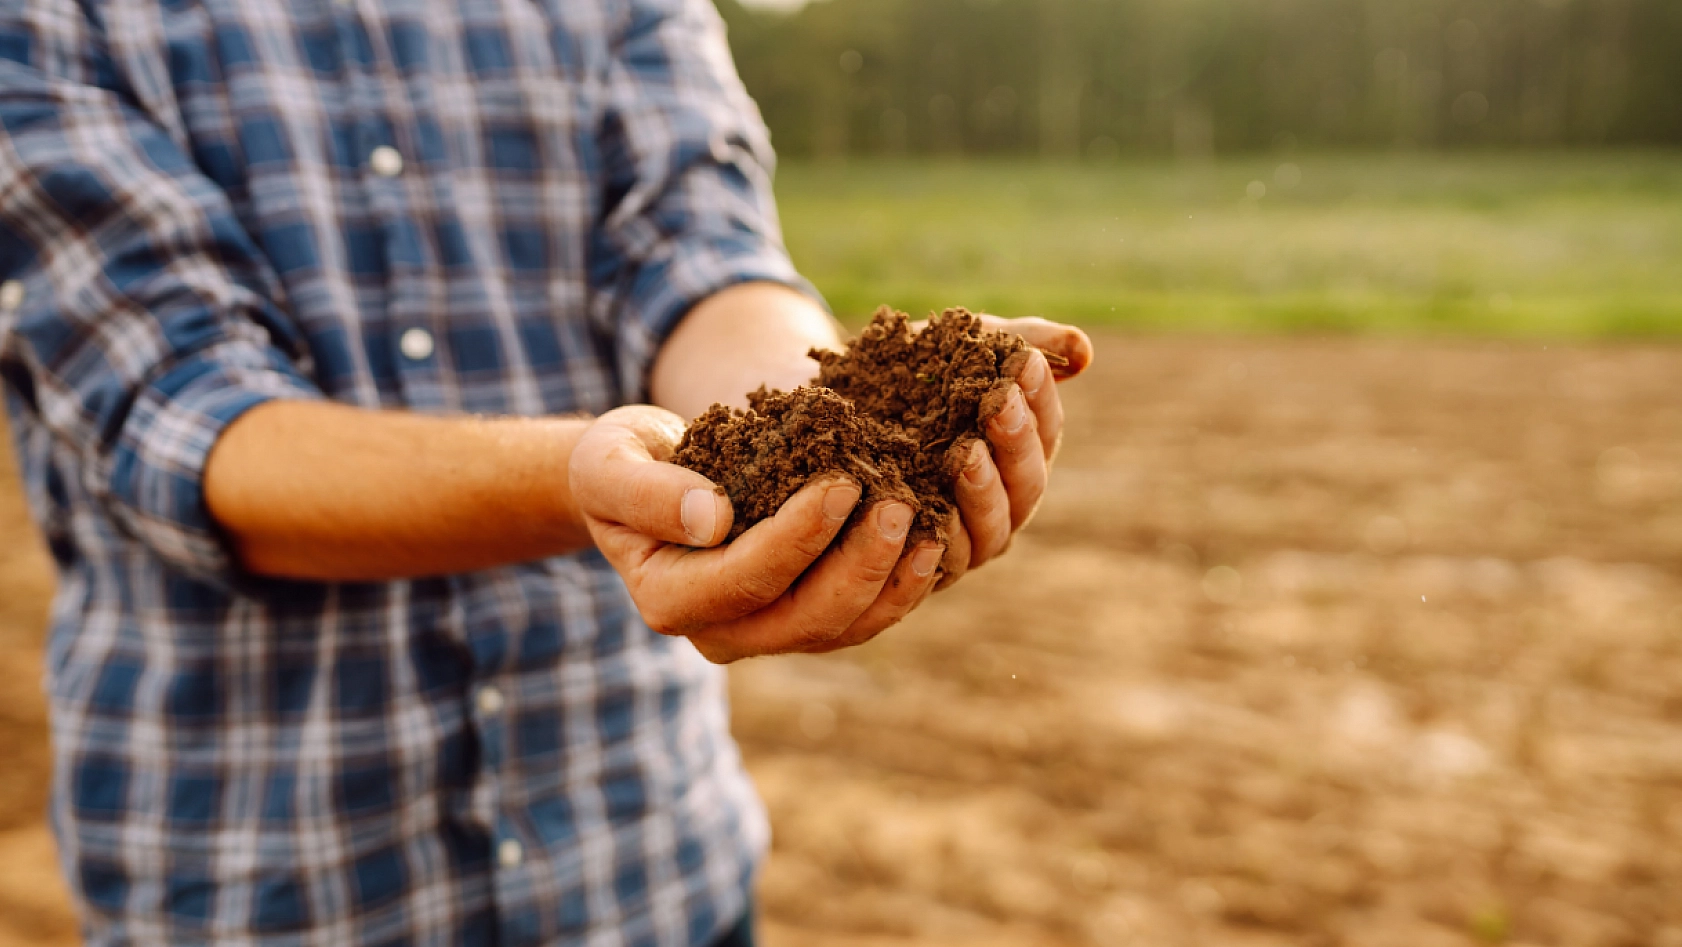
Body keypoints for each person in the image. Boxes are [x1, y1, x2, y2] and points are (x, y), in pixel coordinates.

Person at [0, 0, 1093, 944]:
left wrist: (827, 413)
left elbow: (698, 253)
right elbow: (191, 424)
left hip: (644, 868)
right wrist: (584, 476)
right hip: (270, 886)